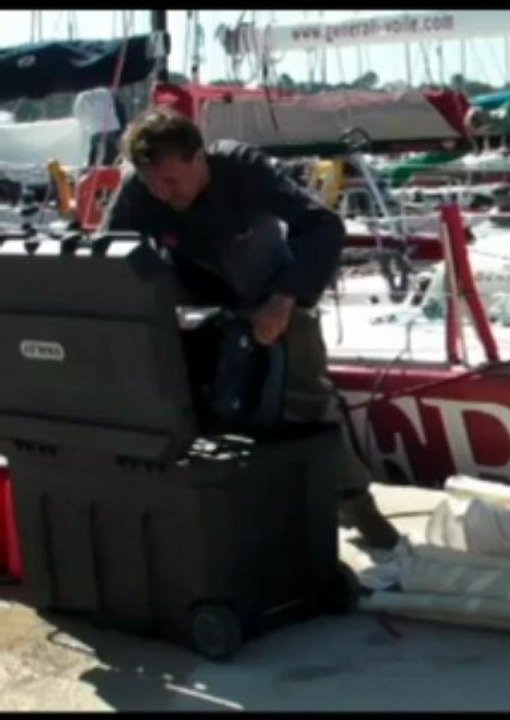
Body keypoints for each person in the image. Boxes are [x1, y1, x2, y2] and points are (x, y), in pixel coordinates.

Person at [101, 107, 400, 550]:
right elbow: (107, 257)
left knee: (306, 403)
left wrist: (283, 301)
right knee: (191, 407)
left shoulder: (242, 168)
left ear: (198, 157)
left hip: (275, 294)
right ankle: (227, 514)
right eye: (152, 184)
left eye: (172, 181)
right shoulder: (140, 192)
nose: (164, 194)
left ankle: (357, 506)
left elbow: (322, 226)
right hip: (199, 309)